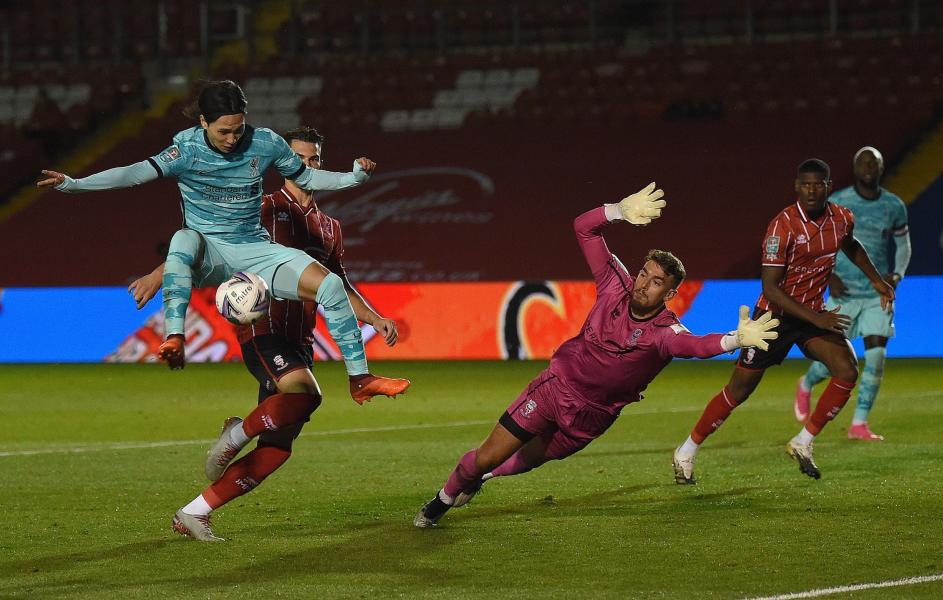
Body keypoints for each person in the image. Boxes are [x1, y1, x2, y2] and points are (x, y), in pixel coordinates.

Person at [413, 182, 781, 528]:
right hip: (554, 389)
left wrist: (735, 340)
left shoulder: (664, 334)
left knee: (525, 462)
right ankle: (441, 502)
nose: (643, 284)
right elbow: (583, 228)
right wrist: (617, 210)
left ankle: (480, 480)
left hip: (593, 417)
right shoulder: (613, 286)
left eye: (656, 283)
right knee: (488, 455)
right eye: (644, 274)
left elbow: (698, 346)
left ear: (669, 295)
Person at [37, 80, 409, 406]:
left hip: (253, 247)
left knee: (328, 284)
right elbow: (134, 174)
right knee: (183, 237)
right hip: (208, 250)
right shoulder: (185, 151)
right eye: (223, 132)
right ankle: (175, 336)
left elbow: (307, 179)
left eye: (238, 130)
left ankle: (360, 379)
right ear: (203, 123)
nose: (232, 139)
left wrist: (354, 179)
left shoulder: (265, 144)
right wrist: (75, 183)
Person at [129, 126, 404, 540]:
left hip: (300, 338)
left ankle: (194, 512)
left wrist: (373, 316)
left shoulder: (330, 227)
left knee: (277, 448)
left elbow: (340, 282)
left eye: (314, 159)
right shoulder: (263, 207)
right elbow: (207, 240)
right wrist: (159, 272)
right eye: (299, 158)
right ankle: (236, 434)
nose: (307, 165)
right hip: (263, 327)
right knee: (305, 395)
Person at [672, 159, 896, 484]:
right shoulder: (782, 226)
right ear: (796, 187)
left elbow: (851, 245)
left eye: (818, 184)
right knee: (739, 391)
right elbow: (770, 289)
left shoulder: (841, 218)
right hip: (773, 318)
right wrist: (818, 317)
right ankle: (687, 450)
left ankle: (802, 442)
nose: (811, 190)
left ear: (828, 187)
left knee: (846, 370)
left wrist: (876, 280)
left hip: (808, 317)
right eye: (805, 184)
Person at [795, 147, 910, 441]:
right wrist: (829, 275)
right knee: (833, 363)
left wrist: (895, 276)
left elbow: (904, 247)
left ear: (882, 168)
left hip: (875, 295)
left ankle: (859, 423)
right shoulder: (839, 201)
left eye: (874, 162)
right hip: (843, 292)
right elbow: (819, 242)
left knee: (876, 357)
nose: (869, 166)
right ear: (855, 168)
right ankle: (807, 383)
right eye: (863, 162)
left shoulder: (894, 206)